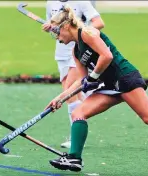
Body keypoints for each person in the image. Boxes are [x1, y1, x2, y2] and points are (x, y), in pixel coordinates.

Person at [44, 5, 148, 172]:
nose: (57, 37)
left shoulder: (87, 33)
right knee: (78, 113)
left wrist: (92, 77)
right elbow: (80, 79)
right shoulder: (76, 50)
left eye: (57, 32)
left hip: (124, 79)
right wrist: (61, 98)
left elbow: (106, 56)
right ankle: (74, 158)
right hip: (108, 86)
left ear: (65, 26)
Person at [44, 0, 105, 148]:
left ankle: (75, 137)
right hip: (62, 52)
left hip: (79, 51)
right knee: (73, 93)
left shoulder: (82, 2)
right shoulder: (50, 3)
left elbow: (99, 23)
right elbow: (54, 27)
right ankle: (84, 107)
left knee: (69, 92)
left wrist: (79, 31)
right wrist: (50, 27)